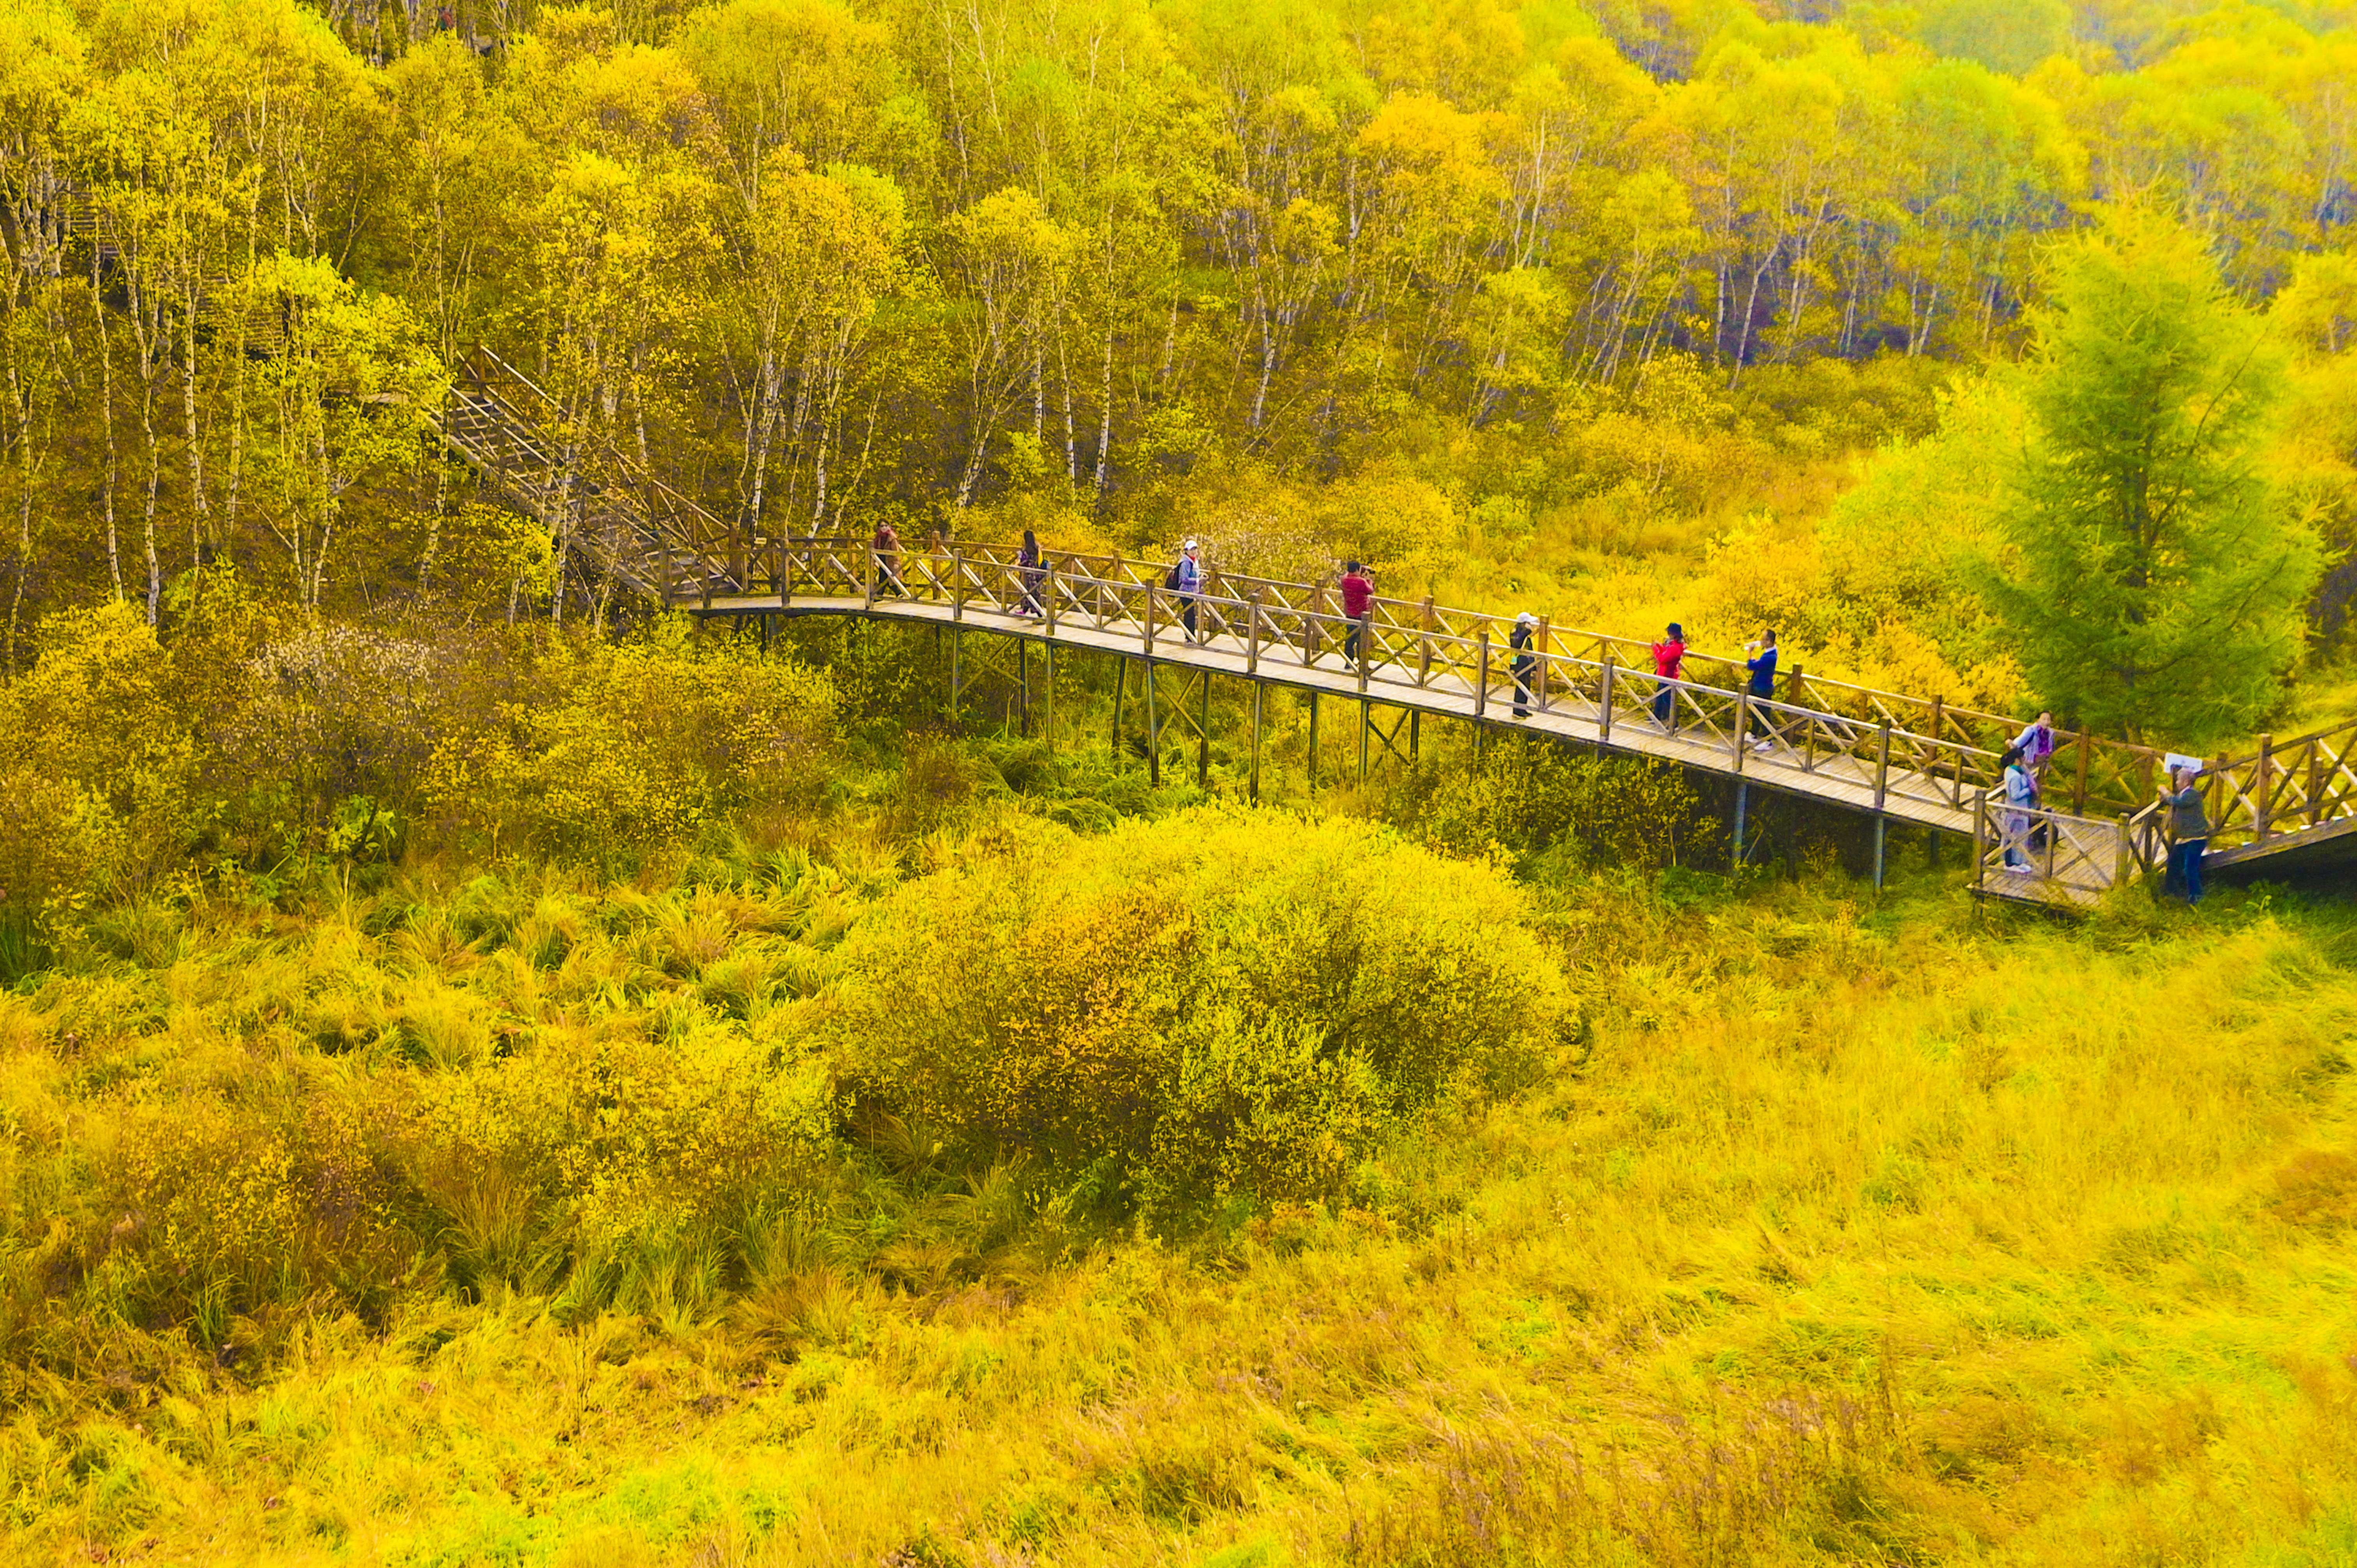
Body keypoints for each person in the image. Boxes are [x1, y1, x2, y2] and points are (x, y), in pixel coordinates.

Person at [2162, 764, 2210, 905]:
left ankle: (2197, 897)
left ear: (2186, 782)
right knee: (2173, 865)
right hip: (2185, 840)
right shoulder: (2185, 794)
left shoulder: (2192, 794)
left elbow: (2179, 802)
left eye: (2178, 780)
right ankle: (2172, 893)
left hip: (2196, 840)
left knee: (2190, 869)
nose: (2177, 783)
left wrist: (2165, 792)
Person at [2000, 744, 2036, 870]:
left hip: (2021, 809)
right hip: (2016, 810)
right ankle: (2011, 863)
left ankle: (2019, 862)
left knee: (2021, 836)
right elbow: (2014, 795)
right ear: (2017, 759)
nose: (2024, 760)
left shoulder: (2013, 770)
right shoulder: (2014, 776)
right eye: (2022, 758)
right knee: (2014, 836)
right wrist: (2028, 790)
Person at [1745, 630, 1779, 751]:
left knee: (1764, 714)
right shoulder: (1770, 653)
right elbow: (1759, 665)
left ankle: (1768, 740)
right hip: (1759, 686)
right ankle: (1754, 733)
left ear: (1769, 641)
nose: (1761, 641)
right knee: (1756, 711)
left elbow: (1752, 666)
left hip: (1764, 688)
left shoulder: (1771, 657)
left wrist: (1750, 653)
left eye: (1763, 639)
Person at [1166, 537, 1203, 642]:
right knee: (1189, 614)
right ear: (1186, 551)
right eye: (1191, 550)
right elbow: (1184, 579)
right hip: (1185, 592)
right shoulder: (1186, 563)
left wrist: (1200, 577)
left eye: (1195, 549)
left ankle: (1191, 637)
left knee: (1191, 614)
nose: (1194, 552)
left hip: (1193, 592)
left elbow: (1194, 574)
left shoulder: (1195, 561)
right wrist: (1197, 581)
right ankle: (1190, 638)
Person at [1649, 622, 1685, 729]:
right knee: (1660, 696)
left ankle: (1674, 723)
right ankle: (1657, 717)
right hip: (1666, 674)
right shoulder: (1674, 645)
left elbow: (1662, 659)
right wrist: (1659, 646)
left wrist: (1655, 649)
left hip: (1668, 675)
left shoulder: (1675, 647)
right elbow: (1666, 652)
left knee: (1668, 700)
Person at [1340, 560, 1374, 665]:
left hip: (1350, 613)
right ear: (1357, 570)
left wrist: (1361, 570)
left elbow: (1347, 575)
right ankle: (1362, 663)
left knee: (1350, 638)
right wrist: (1369, 580)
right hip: (1362, 614)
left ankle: (1349, 662)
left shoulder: (1344, 580)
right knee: (1362, 639)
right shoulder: (1361, 582)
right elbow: (1370, 590)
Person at [1509, 611, 1537, 717]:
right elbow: (1519, 646)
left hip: (1519, 662)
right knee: (1522, 687)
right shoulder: (1523, 633)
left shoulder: (1515, 631)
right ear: (1525, 624)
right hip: (1522, 663)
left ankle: (1522, 709)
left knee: (1525, 687)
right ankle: (1518, 711)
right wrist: (1527, 631)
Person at [2014, 712, 2058, 779]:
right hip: (2029, 763)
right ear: (2038, 720)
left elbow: (2051, 748)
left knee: (2037, 783)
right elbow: (2017, 743)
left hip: (2042, 764)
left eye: (2049, 720)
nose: (2046, 722)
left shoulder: (2051, 733)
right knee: (2025, 781)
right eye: (2044, 719)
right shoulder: (2031, 731)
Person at [871, 518, 902, 597]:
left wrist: (897, 562)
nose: (884, 528)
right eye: (882, 526)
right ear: (879, 527)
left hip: (890, 560)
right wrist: (875, 561)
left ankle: (882, 595)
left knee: (889, 578)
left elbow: (896, 551)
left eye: (886, 526)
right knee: (884, 578)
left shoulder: (892, 537)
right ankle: (898, 593)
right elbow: (876, 549)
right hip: (882, 559)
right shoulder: (879, 537)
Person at [1017, 528, 1044, 617]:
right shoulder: (1037, 547)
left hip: (1028, 572)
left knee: (1028, 591)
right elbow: (1040, 559)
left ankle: (1039, 613)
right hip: (1036, 571)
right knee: (1034, 591)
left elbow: (1024, 560)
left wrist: (1020, 564)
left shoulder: (1026, 549)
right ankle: (1028, 610)